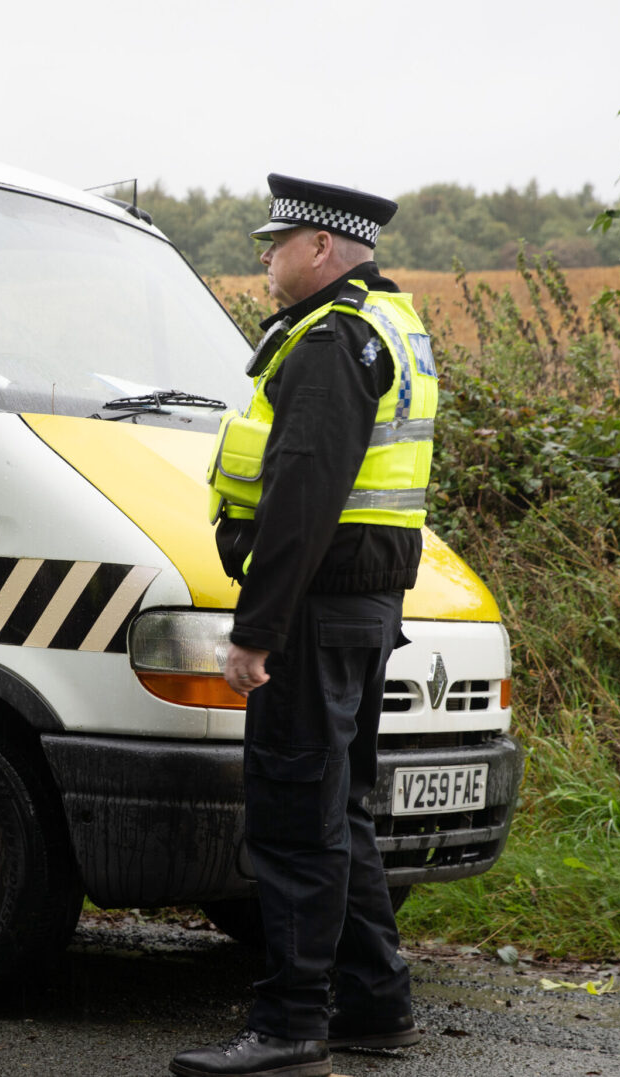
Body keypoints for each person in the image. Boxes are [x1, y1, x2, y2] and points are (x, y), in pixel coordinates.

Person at [176, 175, 436, 1077]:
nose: (265, 257)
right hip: (359, 611)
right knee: (340, 811)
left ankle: (290, 1026)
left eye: (276, 242)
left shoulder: (331, 342)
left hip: (315, 614)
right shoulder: (389, 325)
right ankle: (375, 1001)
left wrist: (258, 629)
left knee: (294, 817)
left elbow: (300, 499)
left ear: (322, 246)